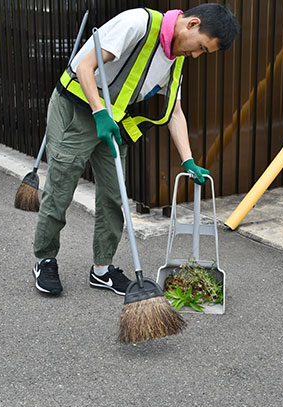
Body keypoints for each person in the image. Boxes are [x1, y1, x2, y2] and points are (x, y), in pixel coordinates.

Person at [32, 4, 239, 296]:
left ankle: (102, 270)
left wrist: (189, 160)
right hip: (76, 111)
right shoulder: (137, 23)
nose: (195, 56)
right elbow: (84, 67)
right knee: (61, 188)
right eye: (202, 48)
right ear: (192, 24)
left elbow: (174, 113)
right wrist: (98, 112)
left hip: (111, 122)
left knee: (113, 196)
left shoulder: (175, 59)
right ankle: (45, 259)